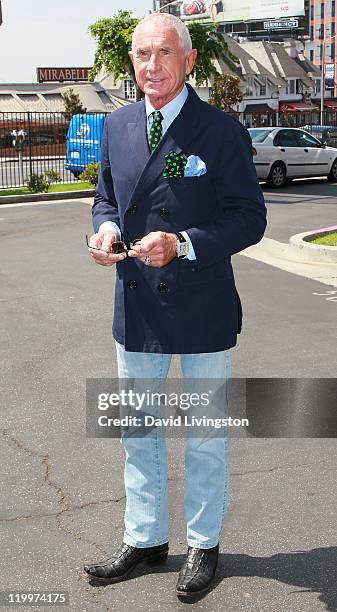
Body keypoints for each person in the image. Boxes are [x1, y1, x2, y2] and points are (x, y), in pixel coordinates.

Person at [84, 12, 267, 598]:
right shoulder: (116, 125)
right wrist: (105, 231)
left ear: (187, 61)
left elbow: (249, 218)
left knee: (207, 433)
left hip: (203, 305)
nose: (151, 66)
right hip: (136, 309)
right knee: (137, 431)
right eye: (142, 55)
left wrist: (183, 244)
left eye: (164, 54)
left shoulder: (220, 131)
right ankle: (144, 539)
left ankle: (203, 544)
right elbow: (105, 198)